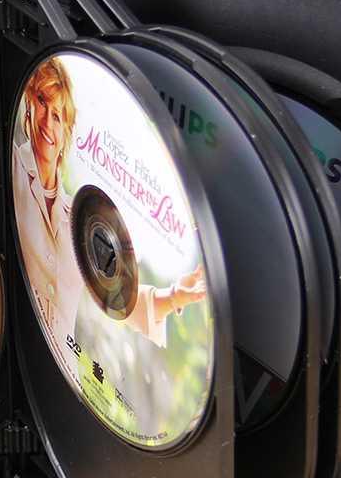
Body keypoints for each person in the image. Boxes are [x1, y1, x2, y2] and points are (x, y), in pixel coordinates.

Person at [12, 57, 206, 353]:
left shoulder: (77, 216)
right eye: (42, 102)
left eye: (58, 116)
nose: (48, 121)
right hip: (15, 337)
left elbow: (121, 296)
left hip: (61, 367)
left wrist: (175, 296)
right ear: (28, 102)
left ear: (66, 133)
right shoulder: (13, 165)